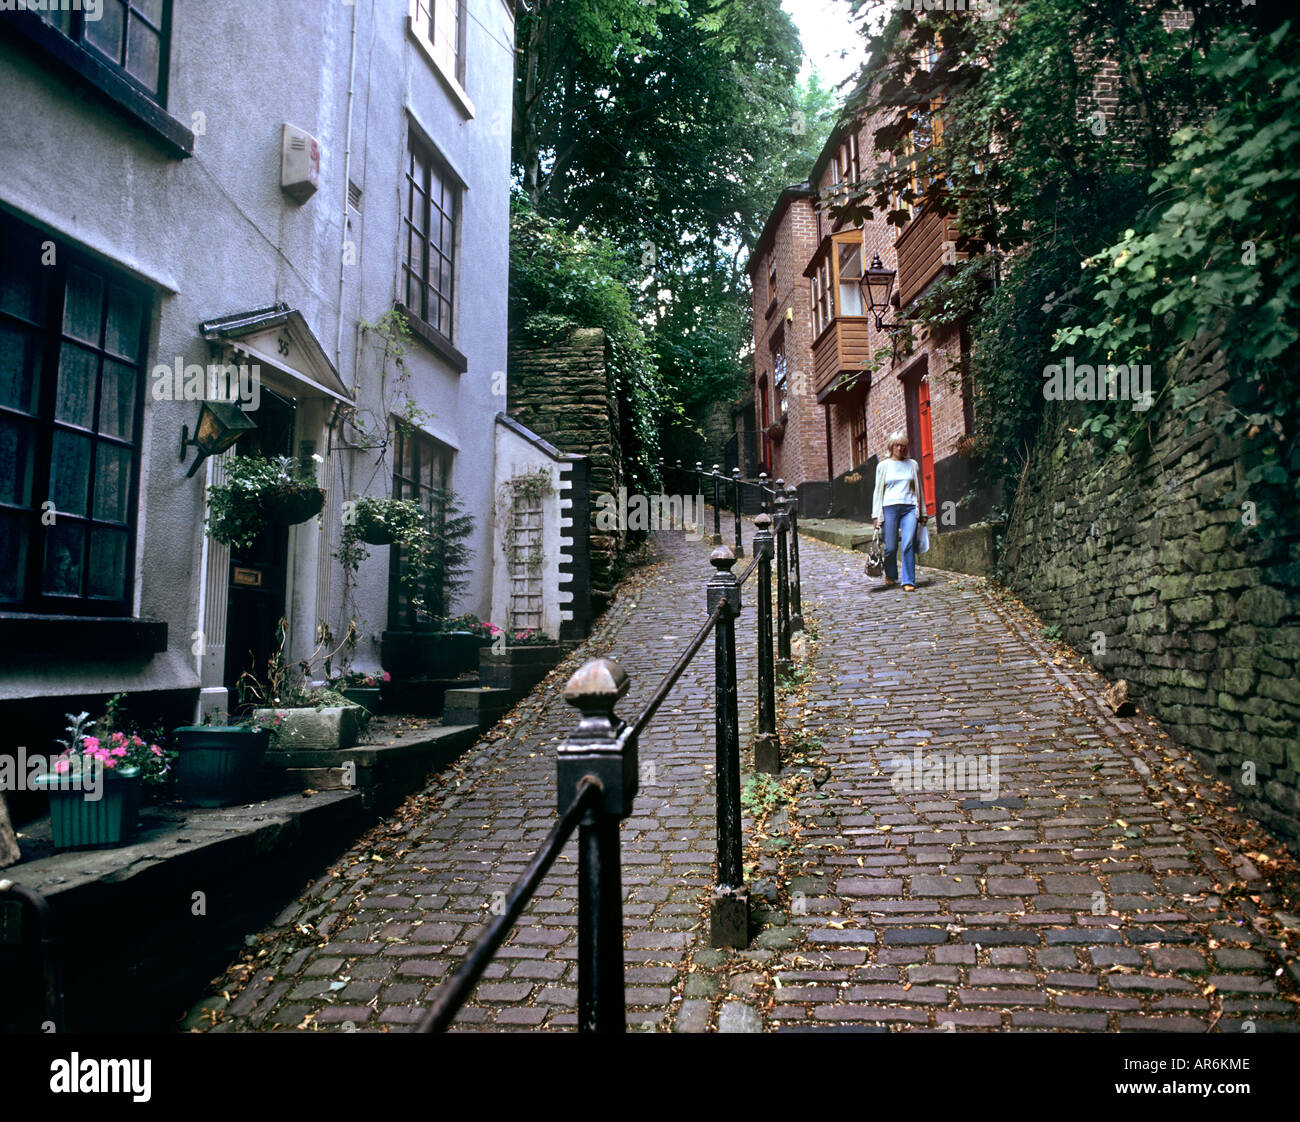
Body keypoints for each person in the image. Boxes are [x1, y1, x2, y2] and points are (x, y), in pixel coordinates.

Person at [871, 431, 927, 591]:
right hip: (889, 508)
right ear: (891, 447)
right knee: (890, 547)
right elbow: (878, 492)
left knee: (908, 542)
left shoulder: (913, 465)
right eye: (897, 445)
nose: (900, 448)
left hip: (910, 507)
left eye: (903, 445)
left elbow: (919, 490)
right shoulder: (883, 466)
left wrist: (922, 512)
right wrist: (876, 515)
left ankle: (908, 580)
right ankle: (890, 574)